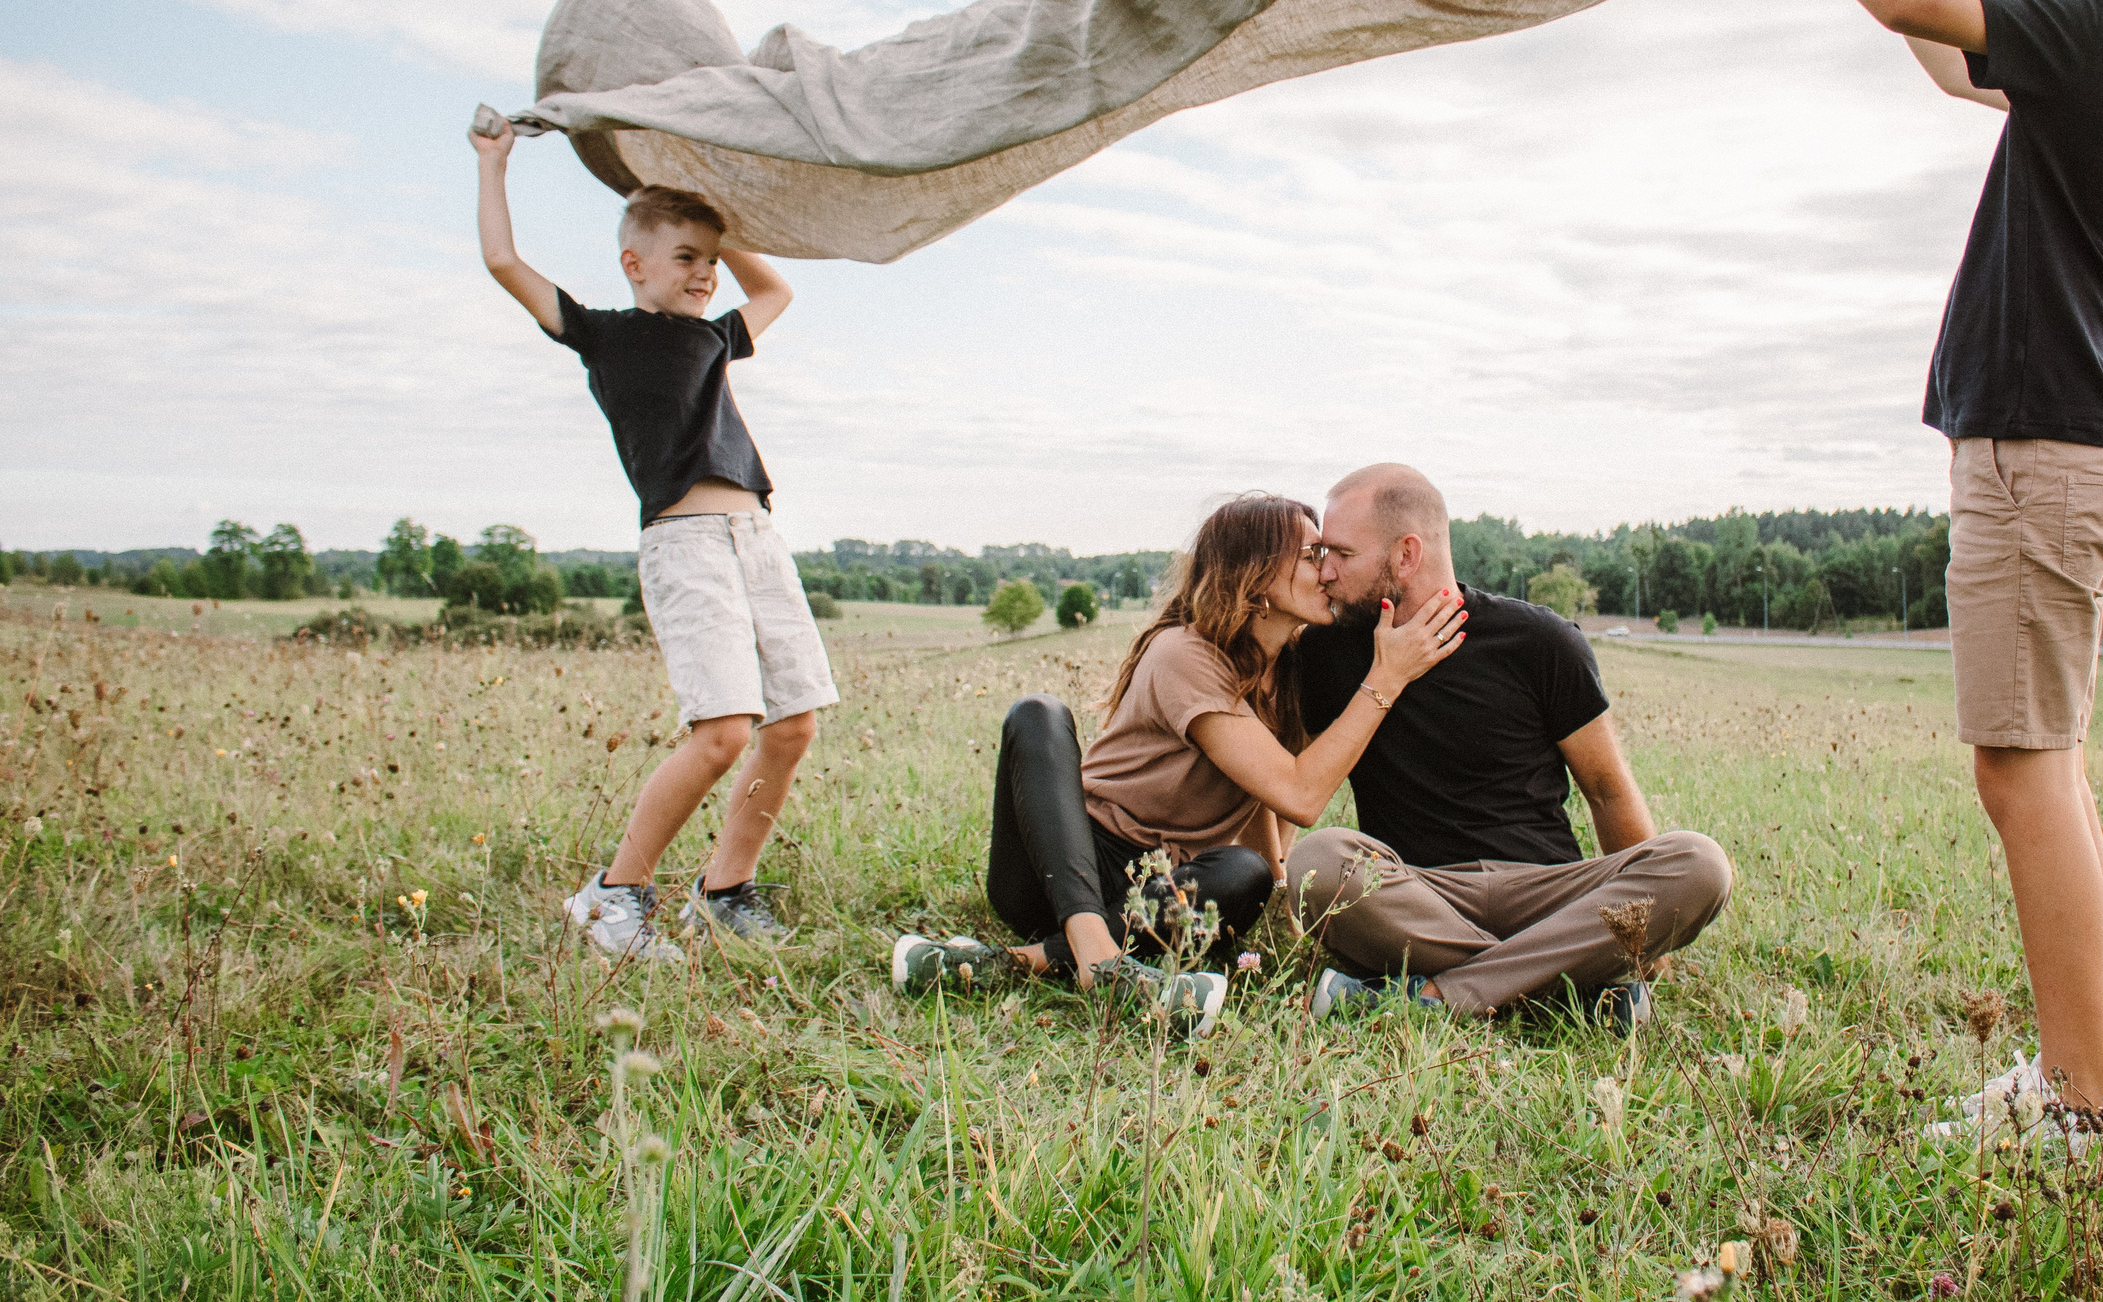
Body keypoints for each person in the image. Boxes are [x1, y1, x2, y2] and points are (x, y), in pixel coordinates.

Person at [1678, 0, 2103, 1138]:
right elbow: (1940, 45)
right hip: (2052, 455)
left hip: (2041, 457)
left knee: (2022, 772)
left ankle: (2082, 1104)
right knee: (2041, 769)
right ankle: (2082, 1084)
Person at [891, 493, 1465, 1036]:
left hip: (1160, 890)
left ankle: (1030, 961)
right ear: (1255, 575)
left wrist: (1276, 896)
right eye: (1311, 555)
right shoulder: (1185, 653)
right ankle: (1097, 956)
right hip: (1062, 867)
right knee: (1037, 713)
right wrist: (1386, 678)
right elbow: (1301, 795)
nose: (1328, 570)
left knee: (1245, 873)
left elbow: (1265, 795)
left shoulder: (1289, 670)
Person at [469, 113, 836, 961]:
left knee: (793, 726)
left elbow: (776, 292)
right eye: (685, 257)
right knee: (724, 731)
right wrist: (494, 163)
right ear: (633, 263)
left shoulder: (715, 335)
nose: (706, 273)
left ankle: (724, 891)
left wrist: (722, 213)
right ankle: (612, 894)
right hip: (686, 544)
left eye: (711, 262)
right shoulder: (602, 334)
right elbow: (503, 262)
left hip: (756, 534)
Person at [1286, 465, 1733, 1032]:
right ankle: (1570, 989)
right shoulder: (1324, 654)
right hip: (1420, 896)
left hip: (1548, 895)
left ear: (1406, 555)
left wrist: (1647, 946)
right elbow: (1290, 785)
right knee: (1319, 862)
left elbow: (1607, 790)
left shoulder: (1541, 641)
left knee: (1700, 865)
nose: (1325, 570)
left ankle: (1437, 997)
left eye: (1341, 554)